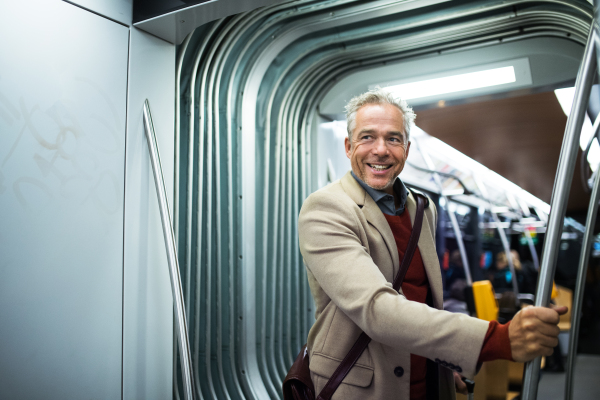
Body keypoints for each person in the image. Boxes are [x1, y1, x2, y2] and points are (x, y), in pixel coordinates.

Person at [298, 88, 567, 400]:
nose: (381, 149)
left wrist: (445, 359)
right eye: (367, 137)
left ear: (407, 148)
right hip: (365, 386)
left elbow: (424, 298)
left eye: (394, 138)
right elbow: (376, 309)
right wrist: (497, 340)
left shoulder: (422, 208)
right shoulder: (326, 208)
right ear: (348, 146)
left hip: (425, 378)